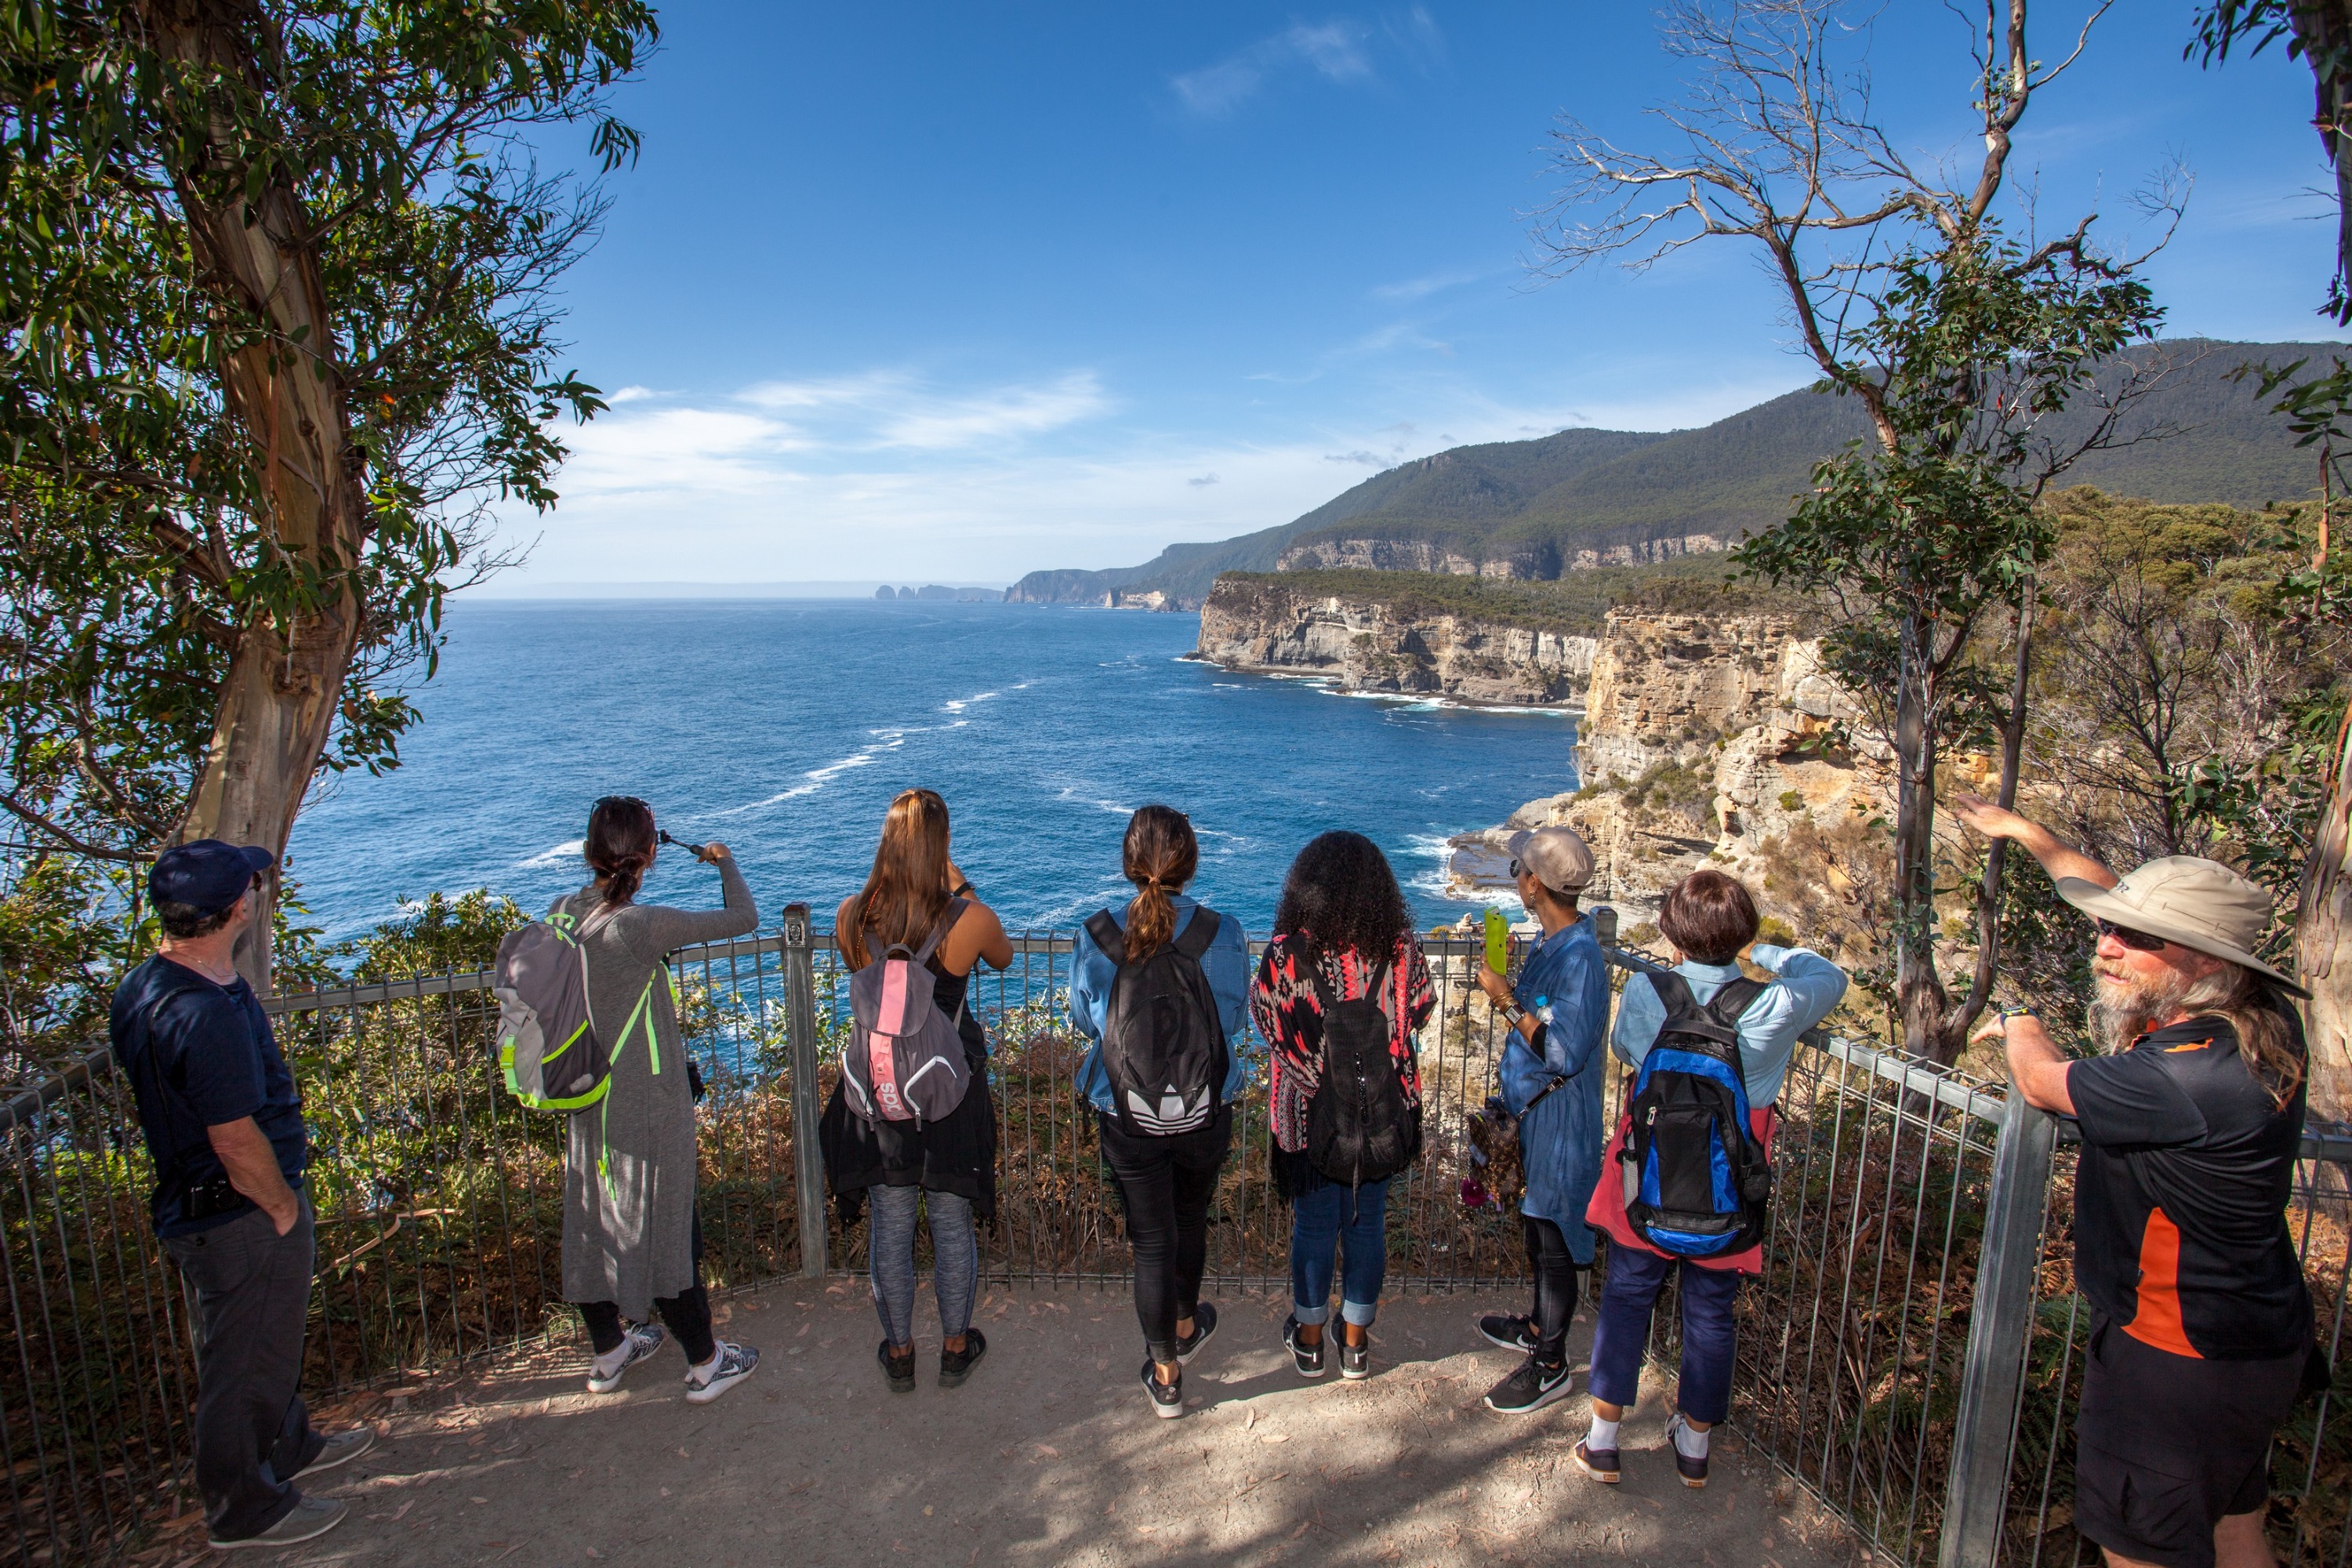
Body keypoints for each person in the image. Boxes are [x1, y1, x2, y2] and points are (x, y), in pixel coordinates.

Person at [1955, 793, 2314, 1568]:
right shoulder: (2261, 1018)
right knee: (2233, 1524)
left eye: (2134, 937)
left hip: (2171, 1358)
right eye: (2109, 927)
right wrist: (2030, 835)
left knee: (2138, 1546)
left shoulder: (2185, 1079)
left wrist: (2020, 1022)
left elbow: (2045, 1083)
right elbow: (2102, 888)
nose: (2106, 945)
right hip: (2255, 1337)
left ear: (2204, 957)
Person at [111, 841, 374, 1548]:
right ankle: (243, 1508)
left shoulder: (149, 985)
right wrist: (282, 1207)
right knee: (241, 1360)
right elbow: (231, 1135)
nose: (257, 892)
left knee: (262, 1344)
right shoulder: (204, 1014)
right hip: (239, 1211)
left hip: (207, 1205)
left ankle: (286, 1445)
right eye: (251, 886)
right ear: (237, 908)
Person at [1578, 868, 1847, 1488]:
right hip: (1731, 1180)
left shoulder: (1651, 992)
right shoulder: (1774, 1004)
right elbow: (1830, 977)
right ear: (1741, 933)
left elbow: (1625, 1050)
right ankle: (1695, 1447)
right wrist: (1766, 953)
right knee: (1710, 1312)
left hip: (1647, 1171)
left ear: (1673, 934)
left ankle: (1604, 1440)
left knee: (1626, 1296)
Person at [554, 797, 761, 1404]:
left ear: (592, 852)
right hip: (646, 1097)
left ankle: (609, 1351)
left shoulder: (564, 913)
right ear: (649, 856)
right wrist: (724, 862)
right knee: (670, 1225)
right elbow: (744, 917)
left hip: (583, 1093)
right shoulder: (638, 927)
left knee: (594, 1219)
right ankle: (705, 1363)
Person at [821, 787, 1013, 1393]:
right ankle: (956, 1348)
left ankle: (900, 1352)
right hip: (947, 1091)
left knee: (891, 1225)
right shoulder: (968, 919)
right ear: (943, 844)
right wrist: (961, 886)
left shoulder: (851, 917)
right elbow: (1003, 957)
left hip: (879, 1095)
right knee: (951, 1225)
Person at [1069, 806, 1253, 1418]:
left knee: (1151, 1240)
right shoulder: (1223, 934)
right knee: (1191, 1219)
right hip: (1206, 1109)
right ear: (1190, 862)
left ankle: (1167, 1376)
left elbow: (1081, 1020)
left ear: (1128, 864)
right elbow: (1231, 1021)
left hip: (1126, 1110)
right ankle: (1185, 1321)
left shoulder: (1095, 936)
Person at [1250, 831, 1436, 1381]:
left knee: (1312, 1226)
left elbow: (1268, 1024)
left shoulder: (1287, 955)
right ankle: (1354, 1343)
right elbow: (1420, 1010)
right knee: (1366, 1223)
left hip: (1310, 1119)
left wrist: (1314, 1069)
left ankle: (1308, 1342)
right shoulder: (1401, 950)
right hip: (1382, 1112)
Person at [1470, 826, 1611, 1414]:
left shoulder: (1580, 959)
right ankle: (1538, 1326)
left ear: (1535, 884)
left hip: (1560, 1123)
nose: (1516, 881)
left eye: (1519, 872)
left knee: (1554, 1238)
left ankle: (1551, 1364)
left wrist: (1506, 1002)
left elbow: (1563, 1051)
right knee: (1537, 1224)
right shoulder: (1556, 943)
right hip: (1536, 1117)